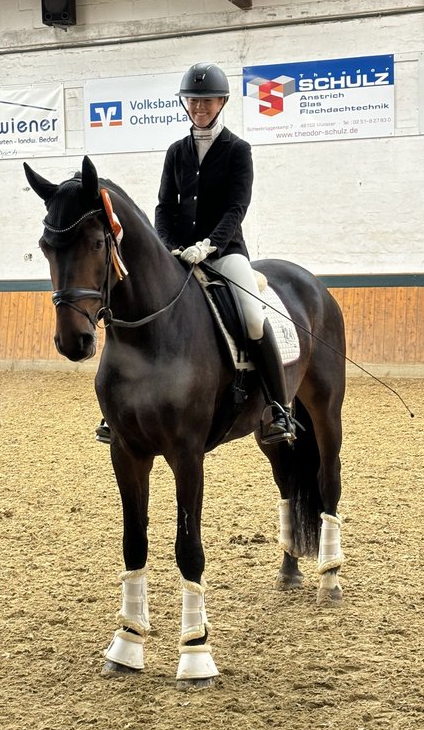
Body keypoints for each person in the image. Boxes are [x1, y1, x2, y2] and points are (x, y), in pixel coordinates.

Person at [96, 62, 297, 445]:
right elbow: (162, 207)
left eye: (206, 101)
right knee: (135, 306)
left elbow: (237, 206)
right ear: (185, 104)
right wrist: (167, 244)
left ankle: (279, 408)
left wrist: (209, 244)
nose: (199, 107)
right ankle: (115, 410)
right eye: (193, 100)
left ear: (221, 102)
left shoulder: (238, 150)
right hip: (178, 253)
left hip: (223, 253)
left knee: (253, 318)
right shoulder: (176, 152)